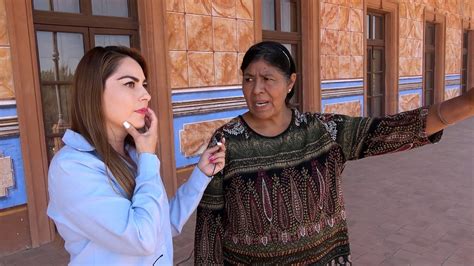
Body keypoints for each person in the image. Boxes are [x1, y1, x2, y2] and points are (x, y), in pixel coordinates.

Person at [194, 41, 474, 264]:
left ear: (291, 82)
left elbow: (394, 128)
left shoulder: (322, 131)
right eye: (248, 79)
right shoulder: (227, 140)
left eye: (268, 78)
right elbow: (209, 220)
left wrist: (468, 102)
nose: (257, 90)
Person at [47, 46, 226, 265]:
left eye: (144, 84)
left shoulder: (133, 154)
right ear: (94, 91)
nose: (146, 95)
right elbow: (143, 238)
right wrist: (148, 157)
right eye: (130, 84)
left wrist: (201, 174)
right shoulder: (71, 167)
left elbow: (163, 224)